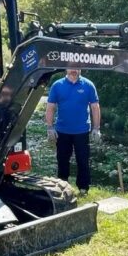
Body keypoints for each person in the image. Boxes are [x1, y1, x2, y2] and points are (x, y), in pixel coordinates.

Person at [45, 67, 101, 195]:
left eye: (76, 67)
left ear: (80, 69)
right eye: (71, 67)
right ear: (66, 69)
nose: (73, 70)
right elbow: (50, 107)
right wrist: (50, 127)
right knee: (63, 159)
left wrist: (96, 128)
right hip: (62, 130)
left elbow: (95, 107)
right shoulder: (57, 85)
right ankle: (62, 186)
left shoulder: (88, 85)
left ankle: (83, 188)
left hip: (82, 131)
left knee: (83, 160)